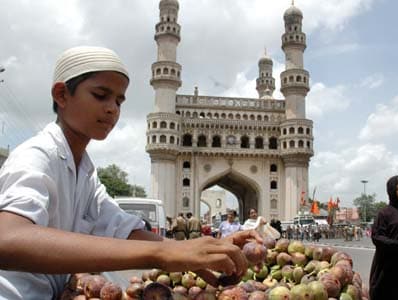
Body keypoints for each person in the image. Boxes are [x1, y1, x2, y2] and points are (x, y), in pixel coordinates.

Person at [0, 46, 262, 300]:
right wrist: (160, 255)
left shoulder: (85, 173)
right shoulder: (37, 155)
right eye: (101, 95)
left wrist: (203, 251)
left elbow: (123, 229)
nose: (113, 108)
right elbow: (8, 239)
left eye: (119, 100)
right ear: (61, 95)